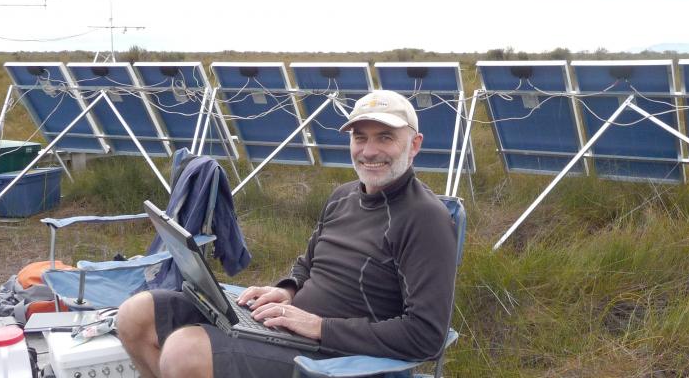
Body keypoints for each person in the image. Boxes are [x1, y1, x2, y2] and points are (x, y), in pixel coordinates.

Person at [116, 90, 457, 378]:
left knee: (184, 352)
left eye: (385, 137)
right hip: (289, 327)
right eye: (360, 137)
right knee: (136, 315)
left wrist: (320, 327)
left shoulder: (425, 219)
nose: (369, 151)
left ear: (414, 145)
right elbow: (308, 265)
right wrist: (288, 290)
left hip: (340, 355)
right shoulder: (343, 196)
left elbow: (426, 335)